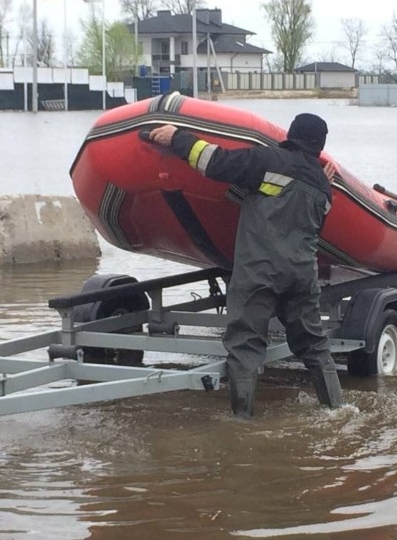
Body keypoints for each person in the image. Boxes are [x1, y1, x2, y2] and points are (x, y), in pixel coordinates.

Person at [145, 113, 343, 418]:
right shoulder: (322, 187)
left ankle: (242, 422)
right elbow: (313, 226)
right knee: (315, 346)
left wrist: (177, 138)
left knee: (246, 346)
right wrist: (321, 180)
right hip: (302, 275)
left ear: (291, 135)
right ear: (320, 146)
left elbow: (215, 162)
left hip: (260, 270)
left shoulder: (267, 160)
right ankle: (337, 411)